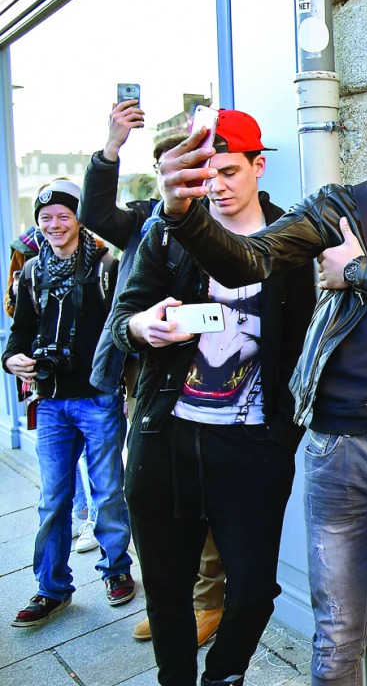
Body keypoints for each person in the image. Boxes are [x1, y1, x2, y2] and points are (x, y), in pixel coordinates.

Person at [150, 64, 367, 686]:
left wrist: (358, 271)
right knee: (336, 628)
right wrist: (181, 214)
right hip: (338, 443)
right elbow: (248, 261)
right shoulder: (337, 204)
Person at [109, 108, 316, 686]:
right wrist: (142, 327)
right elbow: (121, 319)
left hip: (250, 443)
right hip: (165, 436)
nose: (217, 187)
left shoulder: (289, 242)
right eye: (205, 176)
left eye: (228, 171)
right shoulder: (167, 233)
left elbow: (299, 345)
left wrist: (282, 436)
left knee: (252, 591)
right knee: (168, 588)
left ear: (258, 165)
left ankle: (224, 675)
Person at [79, 100, 228, 646]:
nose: (182, 180)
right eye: (170, 170)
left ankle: (207, 601)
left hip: (215, 383)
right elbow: (95, 215)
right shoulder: (148, 222)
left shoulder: (230, 219)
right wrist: (112, 146)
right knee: (154, 496)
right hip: (150, 382)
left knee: (206, 496)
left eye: (191, 168)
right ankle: (169, 596)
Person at [3, 179, 135, 627]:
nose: (55, 224)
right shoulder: (33, 273)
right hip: (52, 402)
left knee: (107, 493)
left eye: (63, 215)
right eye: (46, 218)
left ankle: (117, 571)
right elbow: (19, 335)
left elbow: (121, 330)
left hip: (97, 399)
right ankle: (52, 589)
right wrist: (12, 360)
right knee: (53, 500)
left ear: (78, 218)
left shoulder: (106, 265)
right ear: (38, 225)